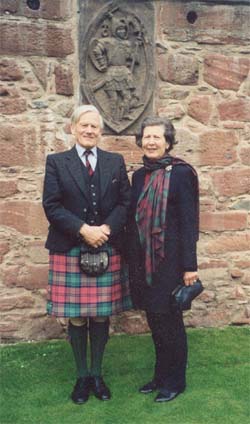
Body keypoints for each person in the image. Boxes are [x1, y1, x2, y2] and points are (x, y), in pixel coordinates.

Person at [42, 105, 131, 404]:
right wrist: (83, 230)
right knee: (78, 315)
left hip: (107, 242)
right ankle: (82, 376)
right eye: (84, 125)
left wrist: (106, 228)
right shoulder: (56, 162)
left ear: (101, 131)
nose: (90, 130)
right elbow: (52, 206)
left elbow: (125, 203)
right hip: (71, 245)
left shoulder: (114, 161)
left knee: (102, 314)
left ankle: (97, 373)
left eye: (95, 126)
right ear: (73, 128)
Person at [127, 116, 199, 402]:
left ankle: (175, 381)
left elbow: (188, 222)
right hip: (144, 263)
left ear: (168, 142)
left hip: (170, 263)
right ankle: (160, 376)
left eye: (158, 137)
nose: (152, 141)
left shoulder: (181, 174)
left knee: (171, 322)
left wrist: (189, 267)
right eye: (147, 137)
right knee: (154, 321)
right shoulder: (139, 176)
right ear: (141, 141)